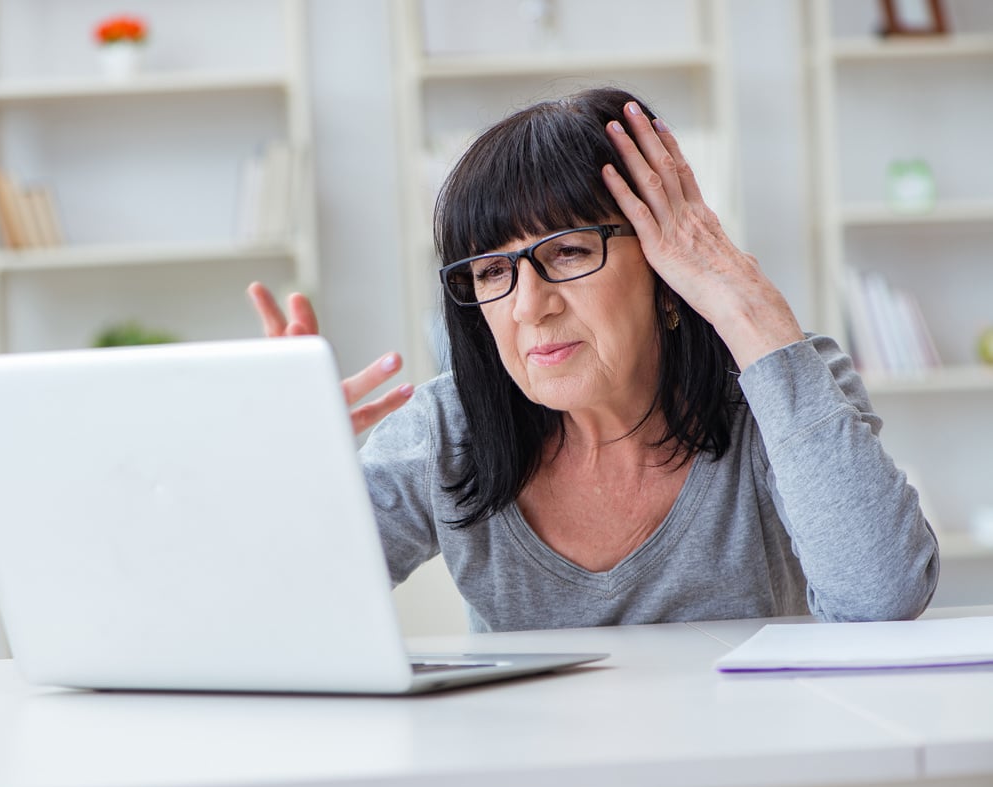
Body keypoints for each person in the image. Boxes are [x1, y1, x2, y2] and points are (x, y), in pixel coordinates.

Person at [248, 86, 938, 631]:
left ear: (669, 270)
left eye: (570, 252)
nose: (529, 306)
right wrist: (286, 479)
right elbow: (277, 612)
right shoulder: (445, 429)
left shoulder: (784, 382)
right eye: (492, 272)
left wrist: (749, 311)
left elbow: (881, 597)